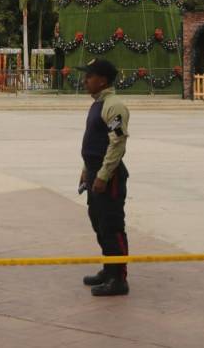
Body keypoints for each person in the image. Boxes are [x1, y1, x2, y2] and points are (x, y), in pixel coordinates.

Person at [77, 58, 130, 296]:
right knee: (98, 222)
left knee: (112, 225)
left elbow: (117, 143)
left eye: (89, 75)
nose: (85, 80)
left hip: (108, 177)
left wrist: (103, 175)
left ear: (103, 80)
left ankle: (118, 278)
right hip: (94, 172)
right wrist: (86, 170)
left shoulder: (113, 105)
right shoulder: (98, 104)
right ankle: (109, 269)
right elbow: (94, 143)